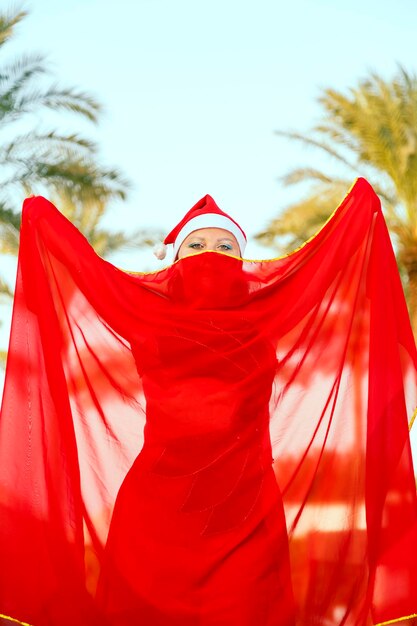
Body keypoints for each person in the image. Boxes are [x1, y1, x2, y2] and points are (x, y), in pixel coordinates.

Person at [0, 177, 417, 626]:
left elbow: (324, 265)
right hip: (154, 516)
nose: (210, 254)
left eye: (225, 245)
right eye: (195, 245)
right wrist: (41, 218)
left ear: (244, 261)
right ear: (174, 260)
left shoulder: (269, 317)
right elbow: (85, 271)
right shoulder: (143, 316)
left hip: (249, 516)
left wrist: (359, 210)